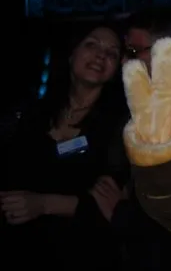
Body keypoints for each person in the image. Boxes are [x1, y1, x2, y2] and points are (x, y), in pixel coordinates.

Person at [0, 24, 129, 271]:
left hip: (84, 254)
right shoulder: (31, 113)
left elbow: (107, 203)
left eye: (112, 53)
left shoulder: (120, 124)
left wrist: (43, 204)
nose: (101, 55)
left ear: (115, 70)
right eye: (92, 45)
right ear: (71, 54)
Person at [113, 7, 171, 271]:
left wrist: (120, 214)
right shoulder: (127, 105)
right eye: (125, 51)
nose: (124, 61)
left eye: (134, 52)